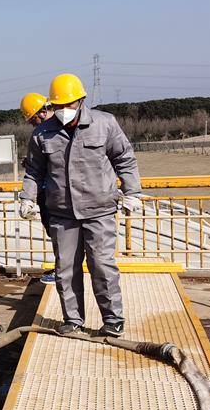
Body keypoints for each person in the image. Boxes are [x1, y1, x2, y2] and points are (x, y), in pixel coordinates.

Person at [18, 74, 142, 336]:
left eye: (69, 105)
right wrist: (27, 198)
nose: (64, 111)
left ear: (82, 100)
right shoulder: (43, 133)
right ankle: (72, 321)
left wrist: (132, 192)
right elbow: (34, 172)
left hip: (99, 209)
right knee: (65, 269)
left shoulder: (104, 123)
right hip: (62, 213)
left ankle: (113, 321)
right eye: (59, 106)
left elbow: (124, 159)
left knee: (102, 265)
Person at [19, 92, 56, 284]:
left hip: (54, 192)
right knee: (55, 231)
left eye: (33, 120)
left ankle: (64, 269)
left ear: (40, 113)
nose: (34, 124)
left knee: (60, 233)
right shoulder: (45, 133)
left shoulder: (52, 132)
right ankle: (63, 267)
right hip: (46, 190)